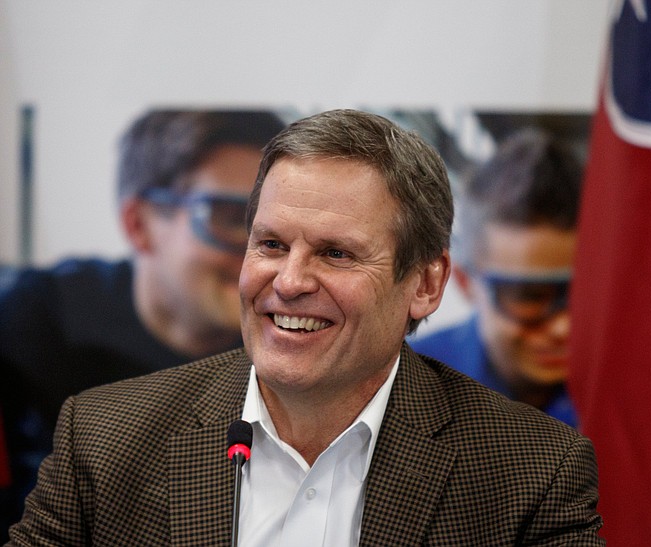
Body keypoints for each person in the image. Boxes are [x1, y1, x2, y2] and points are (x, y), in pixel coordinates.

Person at [7, 109, 604, 545]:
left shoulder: (532, 474)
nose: (289, 281)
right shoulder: (106, 439)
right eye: (269, 244)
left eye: (336, 254)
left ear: (425, 284)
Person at [0, 109, 285, 539]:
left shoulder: (300, 341)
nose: (257, 256)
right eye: (228, 218)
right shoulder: (37, 324)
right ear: (139, 225)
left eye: (274, 229)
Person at [409, 128, 583, 427]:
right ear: (464, 282)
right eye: (527, 297)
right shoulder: (402, 389)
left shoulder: (646, 384)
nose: (563, 327)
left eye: (583, 293)